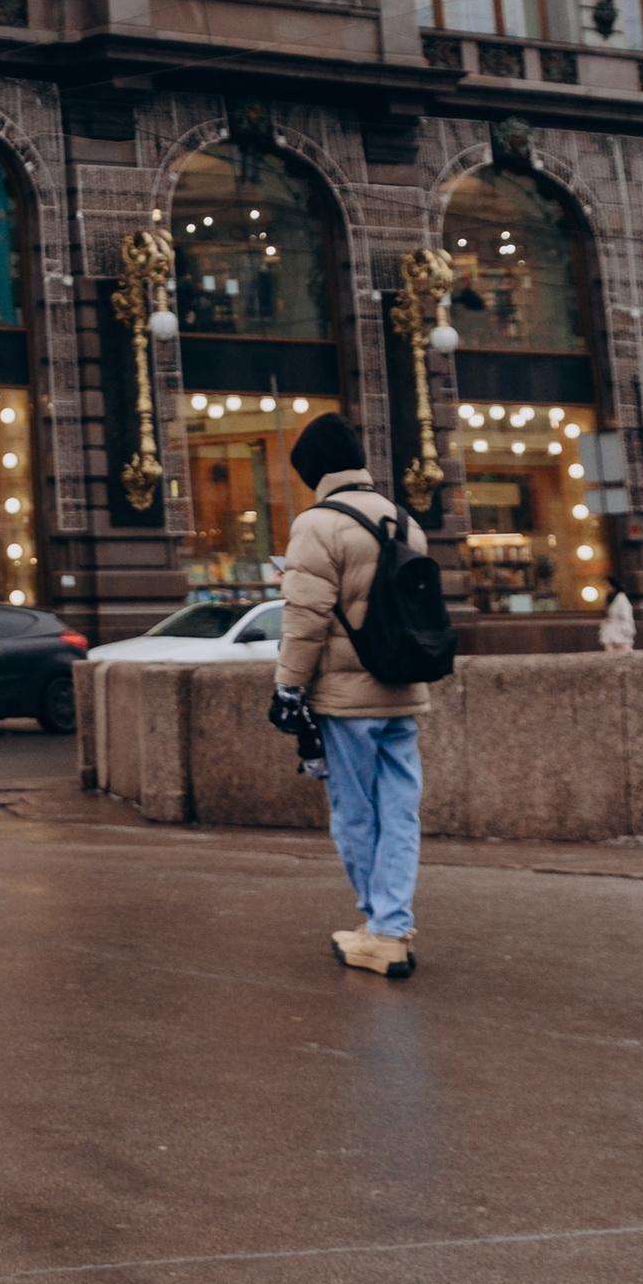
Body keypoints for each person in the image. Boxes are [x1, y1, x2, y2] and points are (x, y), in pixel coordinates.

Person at [272, 414, 430, 979]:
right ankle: (393, 924)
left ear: (315, 471)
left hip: (346, 700)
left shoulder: (317, 525)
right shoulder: (405, 521)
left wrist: (288, 687)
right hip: (402, 690)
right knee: (401, 813)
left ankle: (381, 931)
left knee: (356, 814)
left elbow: (305, 617)